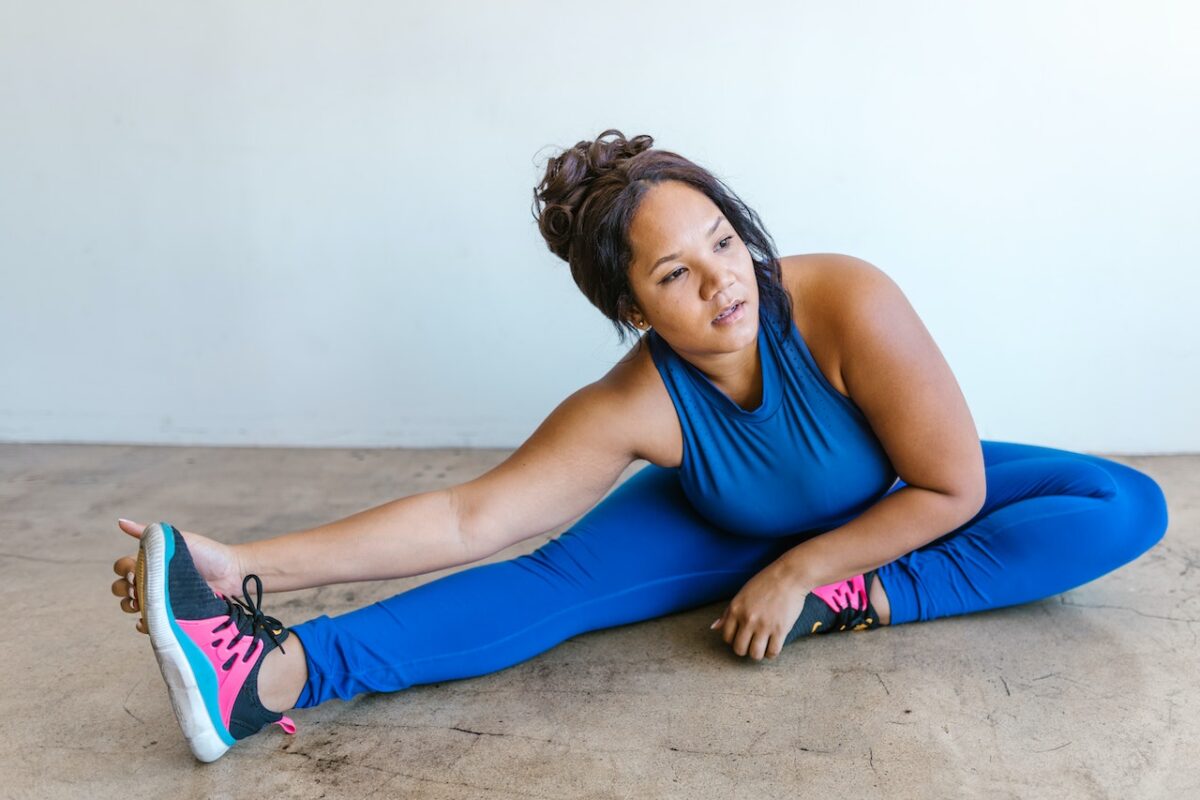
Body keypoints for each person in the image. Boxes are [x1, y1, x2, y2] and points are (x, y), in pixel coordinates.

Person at [110, 129, 1170, 763]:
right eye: (676, 275)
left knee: (1124, 505)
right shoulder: (635, 398)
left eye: (721, 239)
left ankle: (865, 596)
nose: (722, 282)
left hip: (885, 496)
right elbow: (470, 517)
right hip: (723, 519)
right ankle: (272, 674)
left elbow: (952, 484)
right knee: (541, 584)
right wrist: (242, 563)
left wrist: (811, 573)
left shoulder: (848, 299)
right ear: (631, 305)